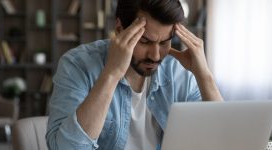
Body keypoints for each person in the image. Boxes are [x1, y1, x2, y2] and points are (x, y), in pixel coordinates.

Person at [46, 0, 223, 149]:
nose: (155, 55)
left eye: (164, 42)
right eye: (145, 41)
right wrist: (111, 74)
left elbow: (221, 139)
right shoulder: (78, 65)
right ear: (119, 29)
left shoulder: (177, 71)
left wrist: (204, 76)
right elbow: (66, 147)